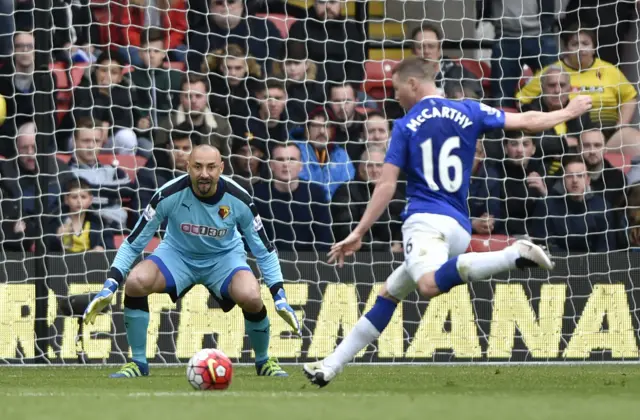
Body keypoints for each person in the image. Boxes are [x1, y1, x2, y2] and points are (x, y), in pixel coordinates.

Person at [303, 57, 593, 387]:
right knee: (389, 293)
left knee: (427, 285)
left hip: (425, 222)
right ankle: (330, 365)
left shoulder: (406, 125)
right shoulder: (468, 109)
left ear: (413, 84)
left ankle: (513, 255)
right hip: (458, 227)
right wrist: (568, 113)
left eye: (397, 89)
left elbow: (386, 185)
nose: (395, 96)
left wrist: (359, 231)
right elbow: (526, 120)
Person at [83, 145, 301, 378]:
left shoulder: (239, 199)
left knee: (251, 295)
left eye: (210, 167)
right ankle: (138, 362)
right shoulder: (168, 194)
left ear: (221, 168)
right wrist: (111, 284)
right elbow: (134, 242)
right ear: (187, 168)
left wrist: (279, 296)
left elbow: (264, 250)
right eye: (197, 167)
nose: (204, 174)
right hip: (177, 256)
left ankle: (263, 360)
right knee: (136, 281)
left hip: (223, 259)